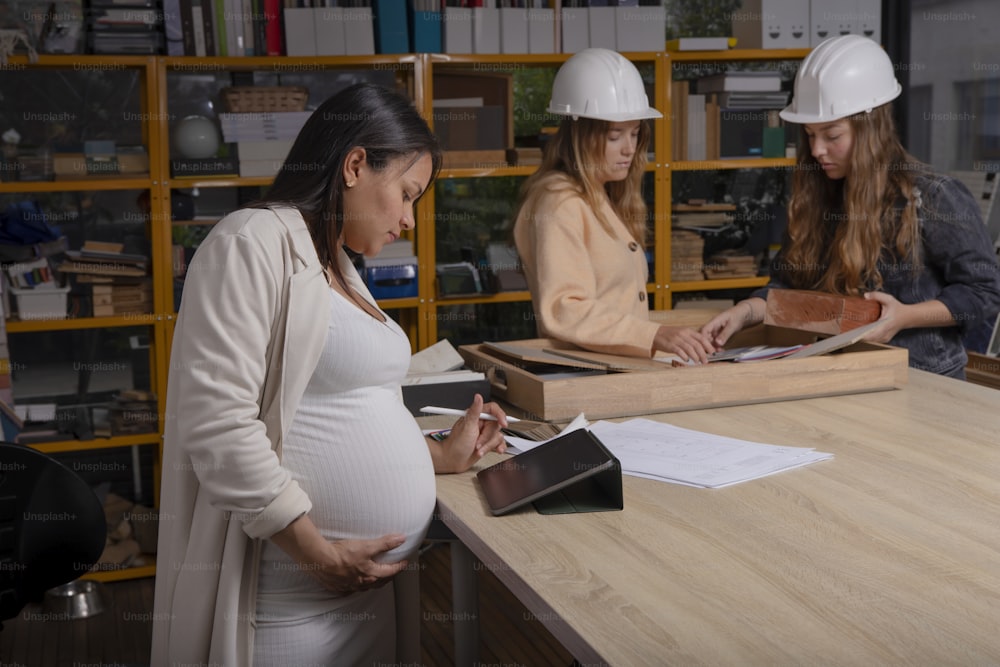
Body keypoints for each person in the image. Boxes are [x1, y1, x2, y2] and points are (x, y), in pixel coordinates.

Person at [150, 82, 509, 666]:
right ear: (356, 164)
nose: (409, 220)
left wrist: (438, 455)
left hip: (358, 596)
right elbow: (218, 426)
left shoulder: (335, 262)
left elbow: (329, 411)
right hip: (290, 598)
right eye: (406, 194)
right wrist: (317, 554)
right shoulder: (250, 241)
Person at [702, 35, 1000, 379]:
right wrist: (744, 312)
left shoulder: (934, 197)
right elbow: (786, 289)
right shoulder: (817, 197)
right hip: (840, 375)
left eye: (831, 136)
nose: (816, 150)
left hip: (921, 381)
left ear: (871, 128)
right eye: (810, 135)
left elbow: (984, 292)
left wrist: (905, 316)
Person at [513, 48, 718, 363]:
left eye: (635, 133)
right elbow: (565, 308)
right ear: (581, 135)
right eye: (614, 136)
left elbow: (618, 302)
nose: (630, 149)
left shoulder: (598, 194)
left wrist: (677, 332)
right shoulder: (559, 201)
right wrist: (654, 335)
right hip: (588, 373)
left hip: (620, 366)